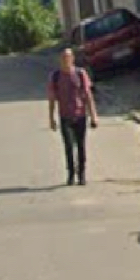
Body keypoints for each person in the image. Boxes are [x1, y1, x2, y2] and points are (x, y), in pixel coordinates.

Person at [47, 48, 99, 185]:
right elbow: (52, 98)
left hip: (80, 115)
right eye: (63, 58)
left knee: (81, 145)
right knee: (69, 146)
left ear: (72, 59)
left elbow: (88, 96)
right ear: (60, 60)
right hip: (65, 116)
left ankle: (81, 173)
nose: (66, 60)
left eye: (68, 57)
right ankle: (70, 173)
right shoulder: (55, 76)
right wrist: (51, 118)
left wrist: (93, 115)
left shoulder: (80, 74)